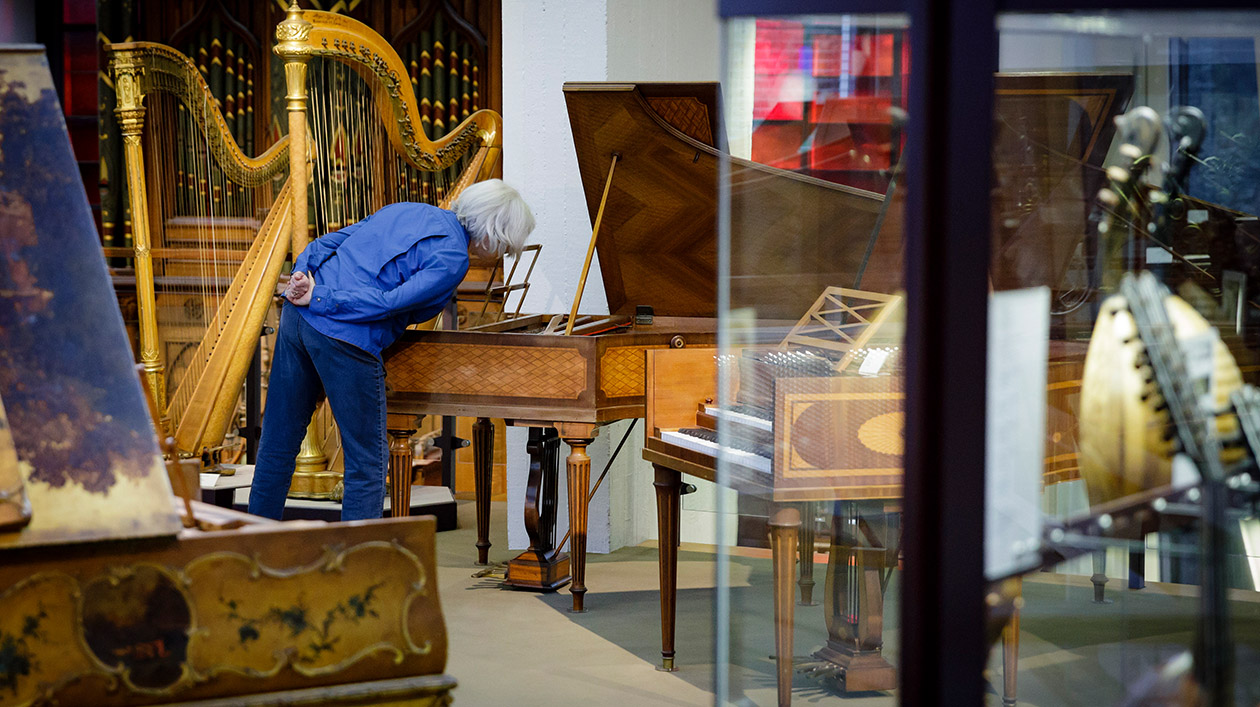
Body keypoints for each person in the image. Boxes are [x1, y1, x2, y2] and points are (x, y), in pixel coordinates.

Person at [247, 179, 535, 521]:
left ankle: (252, 550)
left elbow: (329, 242)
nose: (503, 252)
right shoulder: (454, 257)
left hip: (298, 317)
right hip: (344, 336)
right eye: (505, 244)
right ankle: (357, 569)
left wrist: (302, 275)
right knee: (367, 461)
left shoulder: (412, 210)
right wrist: (322, 297)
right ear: (492, 232)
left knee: (278, 442)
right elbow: (389, 304)